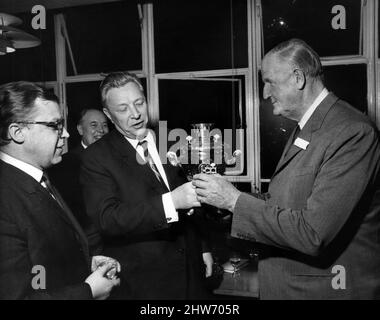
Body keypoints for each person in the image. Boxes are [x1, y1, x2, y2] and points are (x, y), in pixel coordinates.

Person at [193, 38, 380, 299]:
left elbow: (313, 233)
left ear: (298, 78)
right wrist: (226, 202)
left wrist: (235, 201)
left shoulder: (351, 132)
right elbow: (285, 203)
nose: (265, 93)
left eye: (269, 81)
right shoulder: (306, 128)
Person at [80, 71, 213, 299]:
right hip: (144, 283)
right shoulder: (96, 156)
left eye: (139, 103)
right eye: (122, 109)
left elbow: (191, 198)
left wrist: (203, 247)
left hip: (191, 271)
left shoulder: (170, 139)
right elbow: (108, 218)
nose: (135, 114)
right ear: (108, 115)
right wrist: (172, 202)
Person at [0, 81, 120, 299]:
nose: (65, 134)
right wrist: (88, 291)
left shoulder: (39, 177)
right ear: (17, 132)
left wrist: (85, 262)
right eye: (55, 125)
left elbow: (41, 263)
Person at [49, 109, 109, 253]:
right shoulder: (64, 164)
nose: (101, 130)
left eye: (105, 125)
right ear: (80, 129)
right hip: (88, 245)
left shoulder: (117, 159)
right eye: (94, 125)